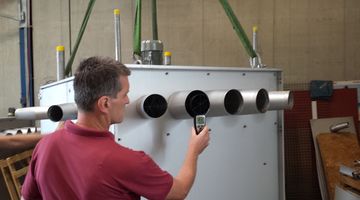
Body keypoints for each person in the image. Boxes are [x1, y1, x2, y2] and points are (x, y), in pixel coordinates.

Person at [21, 56, 210, 200]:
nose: (128, 100)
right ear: (104, 104)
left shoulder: (45, 146)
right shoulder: (127, 161)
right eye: (124, 94)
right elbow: (179, 191)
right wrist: (194, 149)